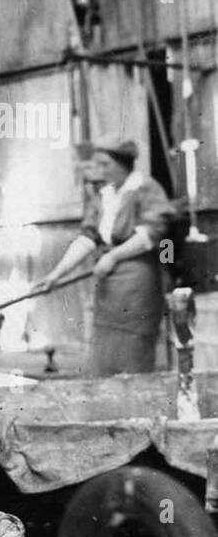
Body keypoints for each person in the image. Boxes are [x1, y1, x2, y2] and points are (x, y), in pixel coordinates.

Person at [36, 139, 174, 376]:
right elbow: (87, 238)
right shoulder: (105, 194)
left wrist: (114, 257)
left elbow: (151, 233)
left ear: (123, 164)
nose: (100, 170)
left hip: (137, 283)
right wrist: (55, 275)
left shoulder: (145, 188)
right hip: (109, 286)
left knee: (133, 353)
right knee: (104, 354)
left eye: (105, 163)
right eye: (97, 163)